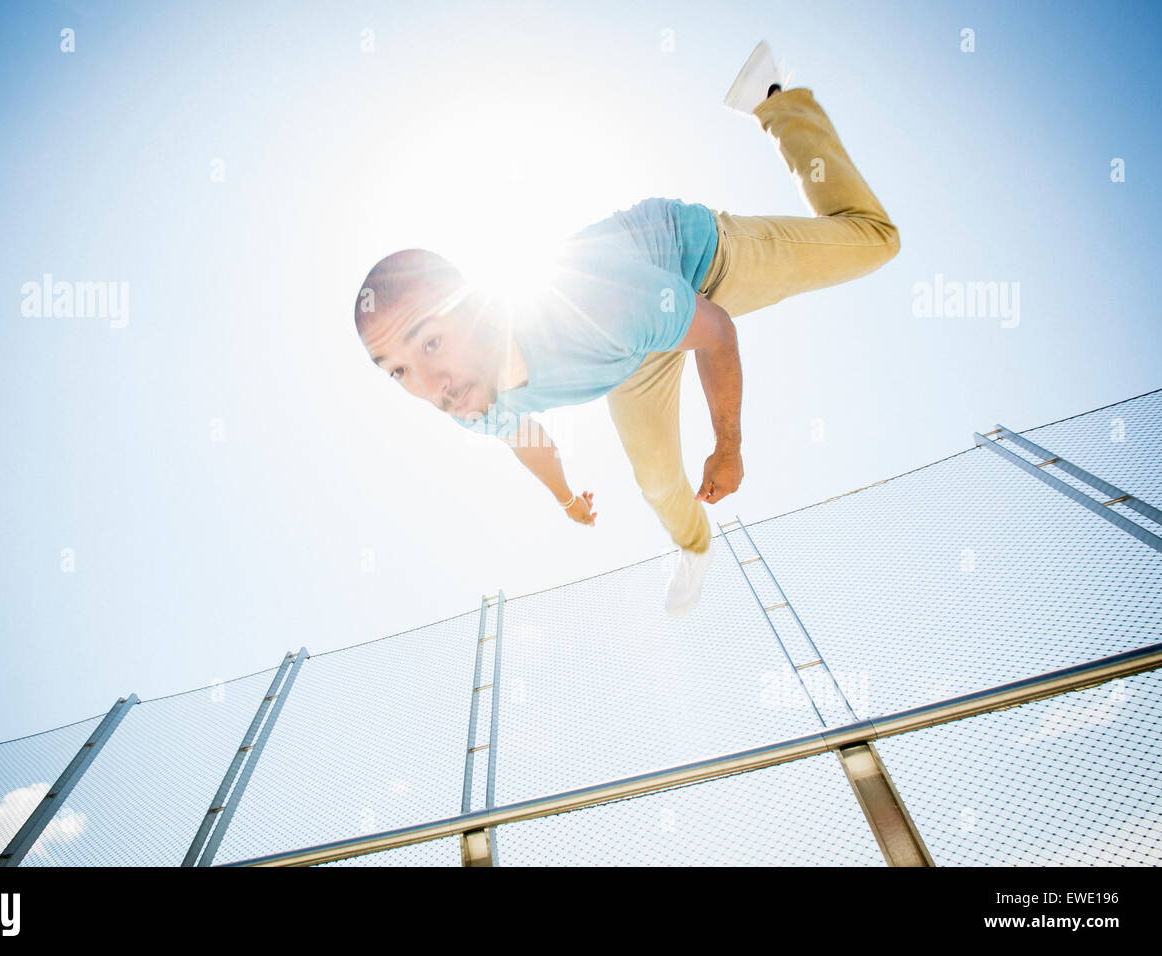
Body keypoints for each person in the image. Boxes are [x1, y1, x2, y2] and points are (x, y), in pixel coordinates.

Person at [354, 41, 899, 617]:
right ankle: (696, 547)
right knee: (657, 479)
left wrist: (728, 448)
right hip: (635, 352)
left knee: (873, 241)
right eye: (399, 372)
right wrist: (567, 501)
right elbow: (529, 442)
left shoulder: (586, 306)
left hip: (695, 265)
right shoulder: (473, 396)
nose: (431, 383)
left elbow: (715, 332)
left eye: (430, 341)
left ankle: (773, 99)